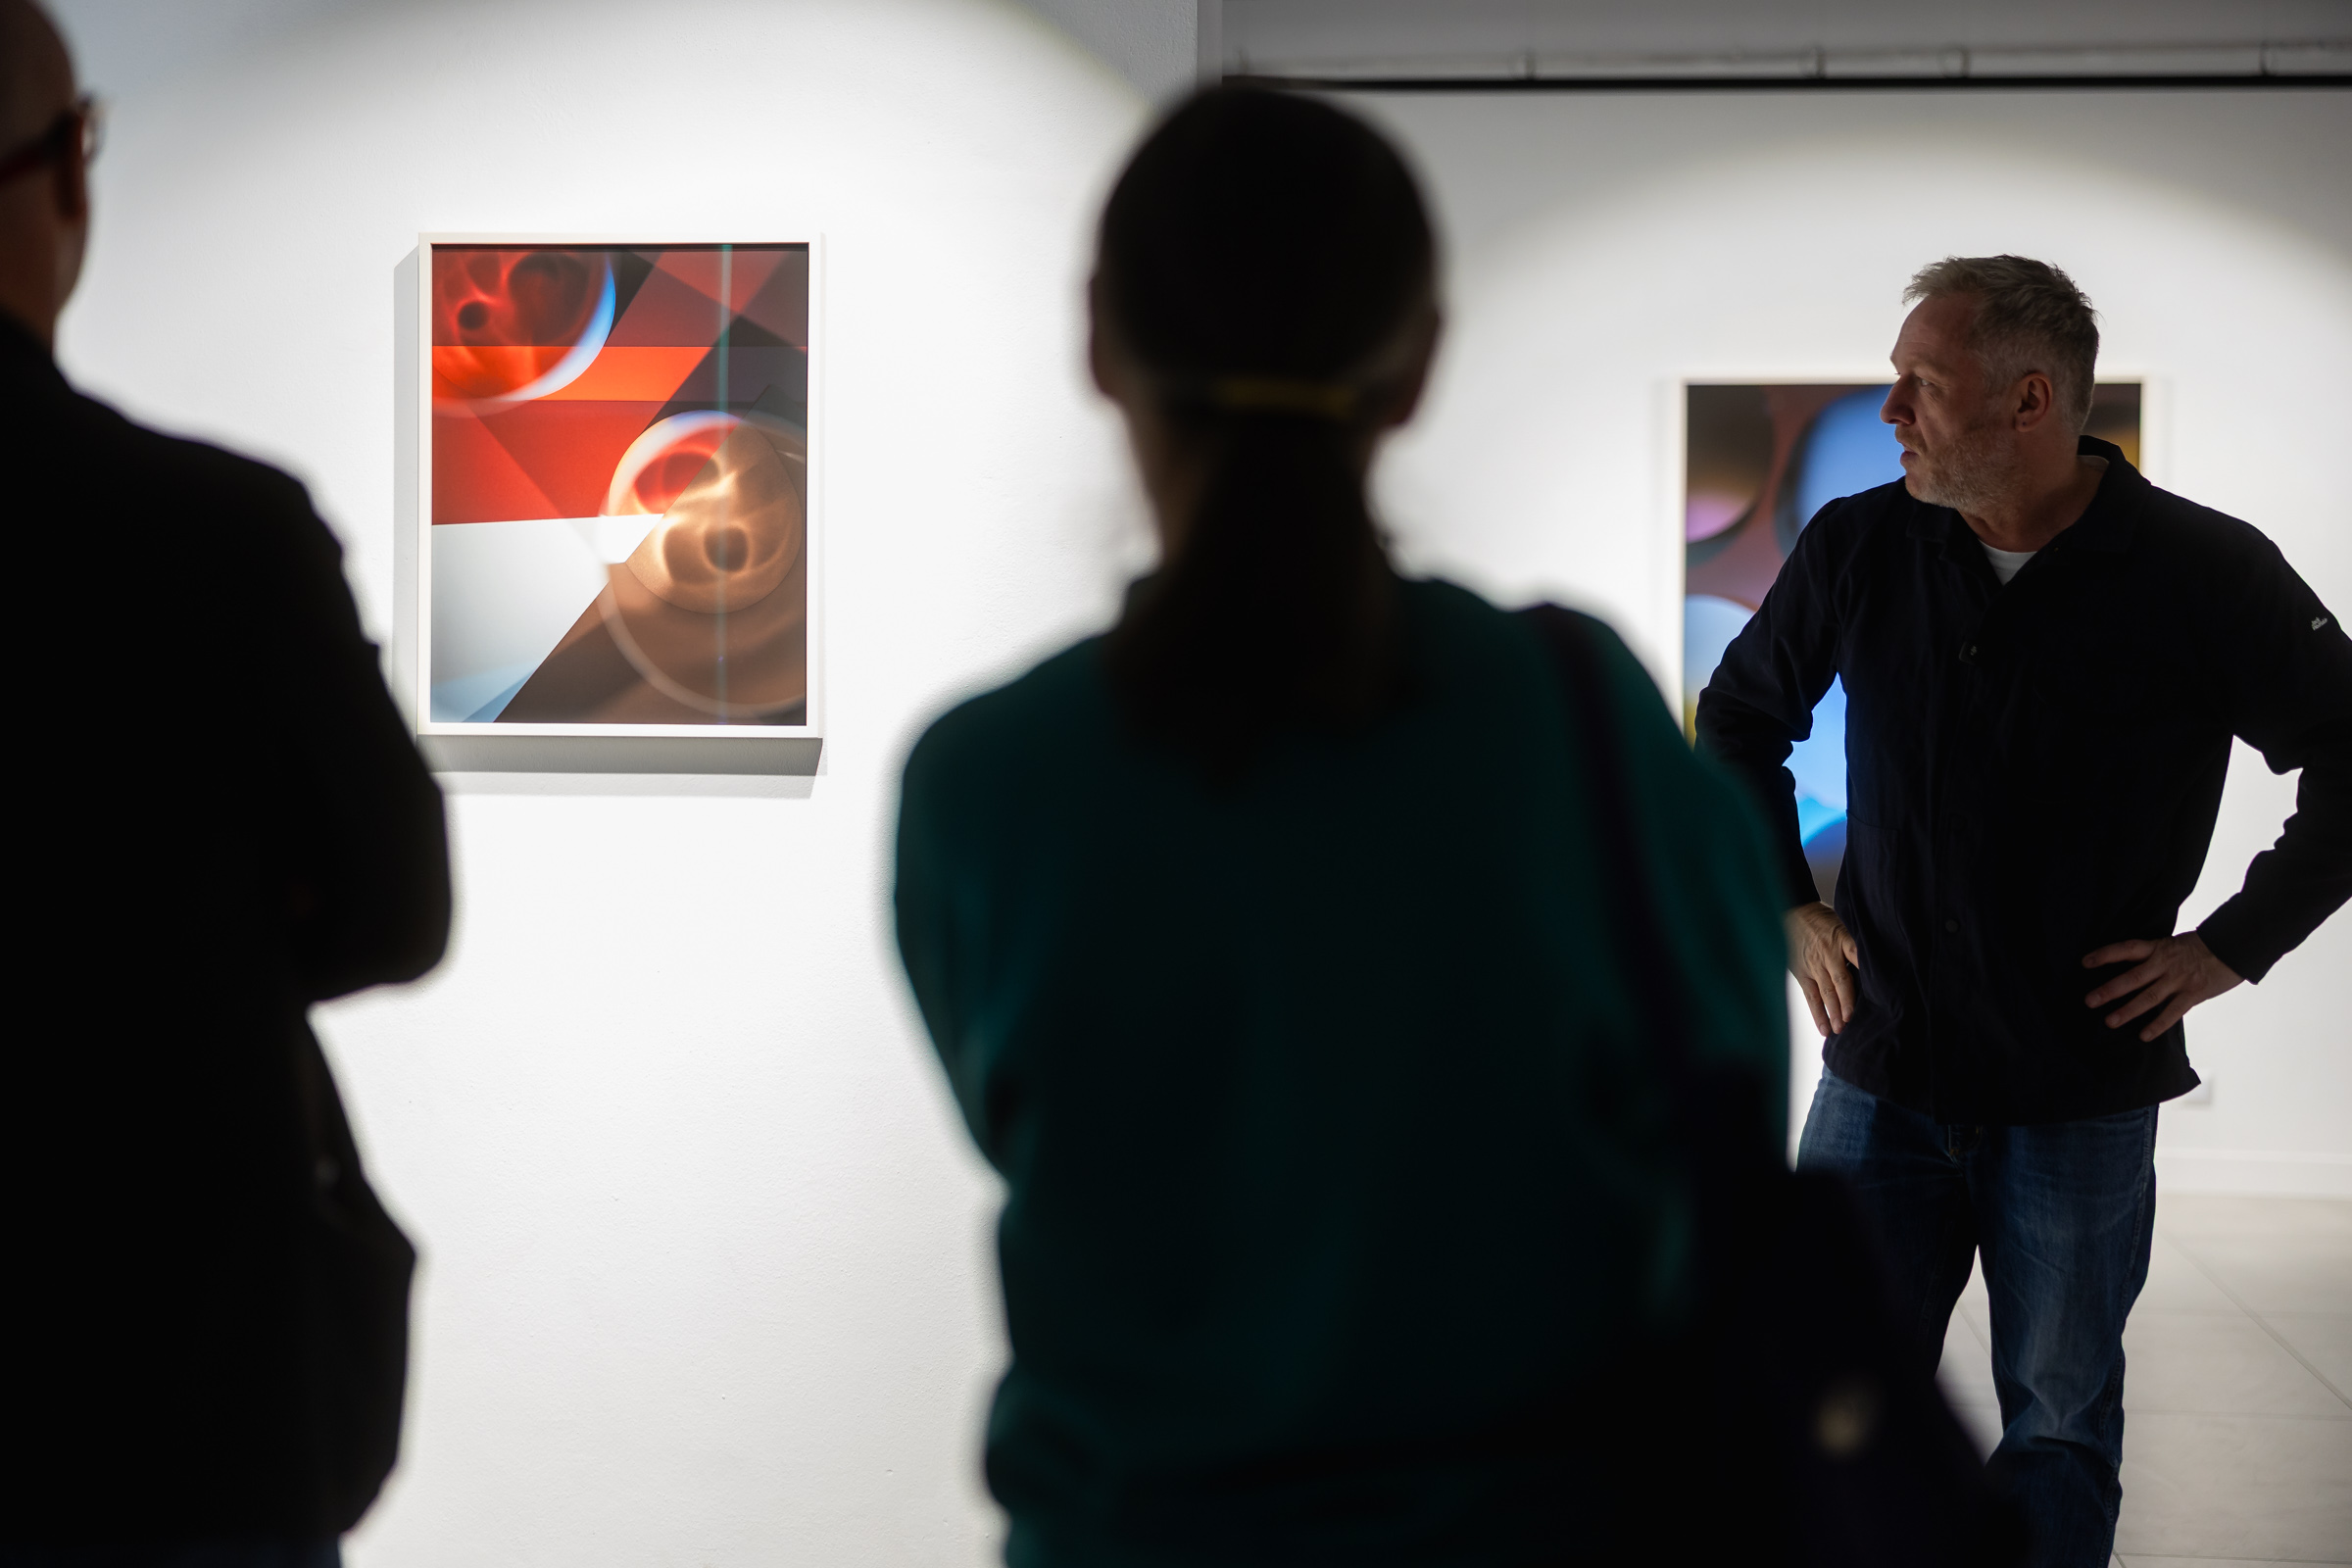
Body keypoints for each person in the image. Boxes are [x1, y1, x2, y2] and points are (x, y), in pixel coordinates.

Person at [894, 88, 1791, 1566]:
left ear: (1101, 343)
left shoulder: (985, 778)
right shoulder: (1579, 724)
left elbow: (1038, 1131)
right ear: (1417, 363)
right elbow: (1727, 1111)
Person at [1697, 256, 2352, 1567]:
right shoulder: (1861, 545)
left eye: (1920, 385)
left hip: (2080, 1090)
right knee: (1819, 1405)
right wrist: (1784, 906)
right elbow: (1738, 720)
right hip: (1881, 1071)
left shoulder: (2204, 570)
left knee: (2057, 1423)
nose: (1890, 410)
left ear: (2030, 400)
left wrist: (2232, 946)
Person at [0, 3, 452, 1562]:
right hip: (178, 1407)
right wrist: (179, 933)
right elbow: (397, 909)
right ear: (69, 169)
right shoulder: (226, 541)